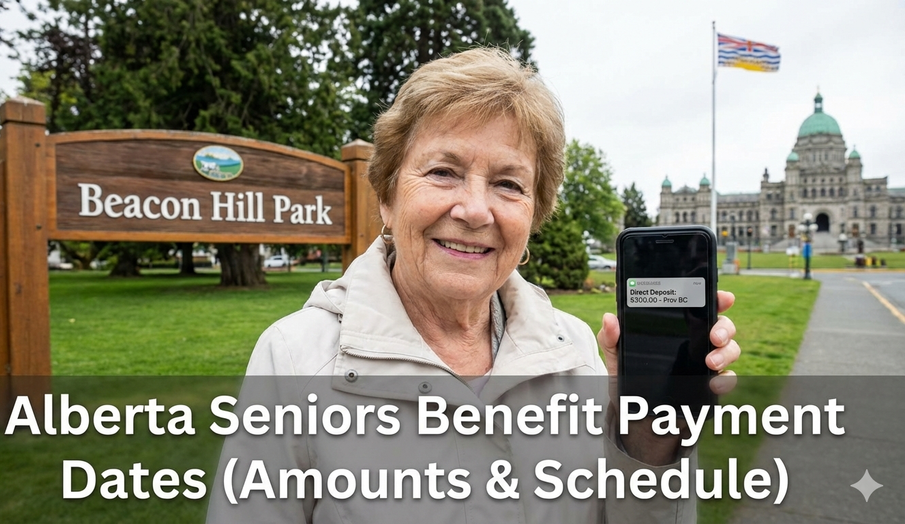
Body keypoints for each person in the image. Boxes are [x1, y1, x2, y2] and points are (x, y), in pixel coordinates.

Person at [207, 47, 740, 523]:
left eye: (509, 184)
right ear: (387, 198)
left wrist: (650, 435)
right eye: (443, 172)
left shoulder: (575, 350)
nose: (475, 210)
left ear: (534, 214)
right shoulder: (296, 357)